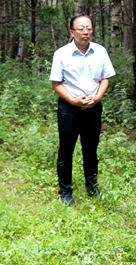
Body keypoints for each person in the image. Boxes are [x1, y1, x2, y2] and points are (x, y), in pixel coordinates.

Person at [49, 14, 115, 205]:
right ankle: (65, 191)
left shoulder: (100, 51)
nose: (86, 32)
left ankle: (92, 187)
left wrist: (98, 97)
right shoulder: (61, 54)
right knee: (66, 150)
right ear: (72, 32)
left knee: (91, 149)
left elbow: (105, 78)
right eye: (81, 29)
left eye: (89, 28)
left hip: (93, 107)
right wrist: (73, 100)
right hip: (69, 108)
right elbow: (56, 83)